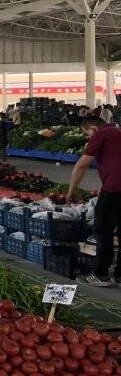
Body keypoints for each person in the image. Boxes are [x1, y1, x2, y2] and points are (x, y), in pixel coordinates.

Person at [67, 116, 121, 286]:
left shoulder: (101, 134)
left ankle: (101, 275)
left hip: (114, 188)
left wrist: (71, 190)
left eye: (87, 134)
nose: (88, 138)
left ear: (93, 128)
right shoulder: (117, 131)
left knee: (103, 230)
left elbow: (82, 165)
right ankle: (119, 275)